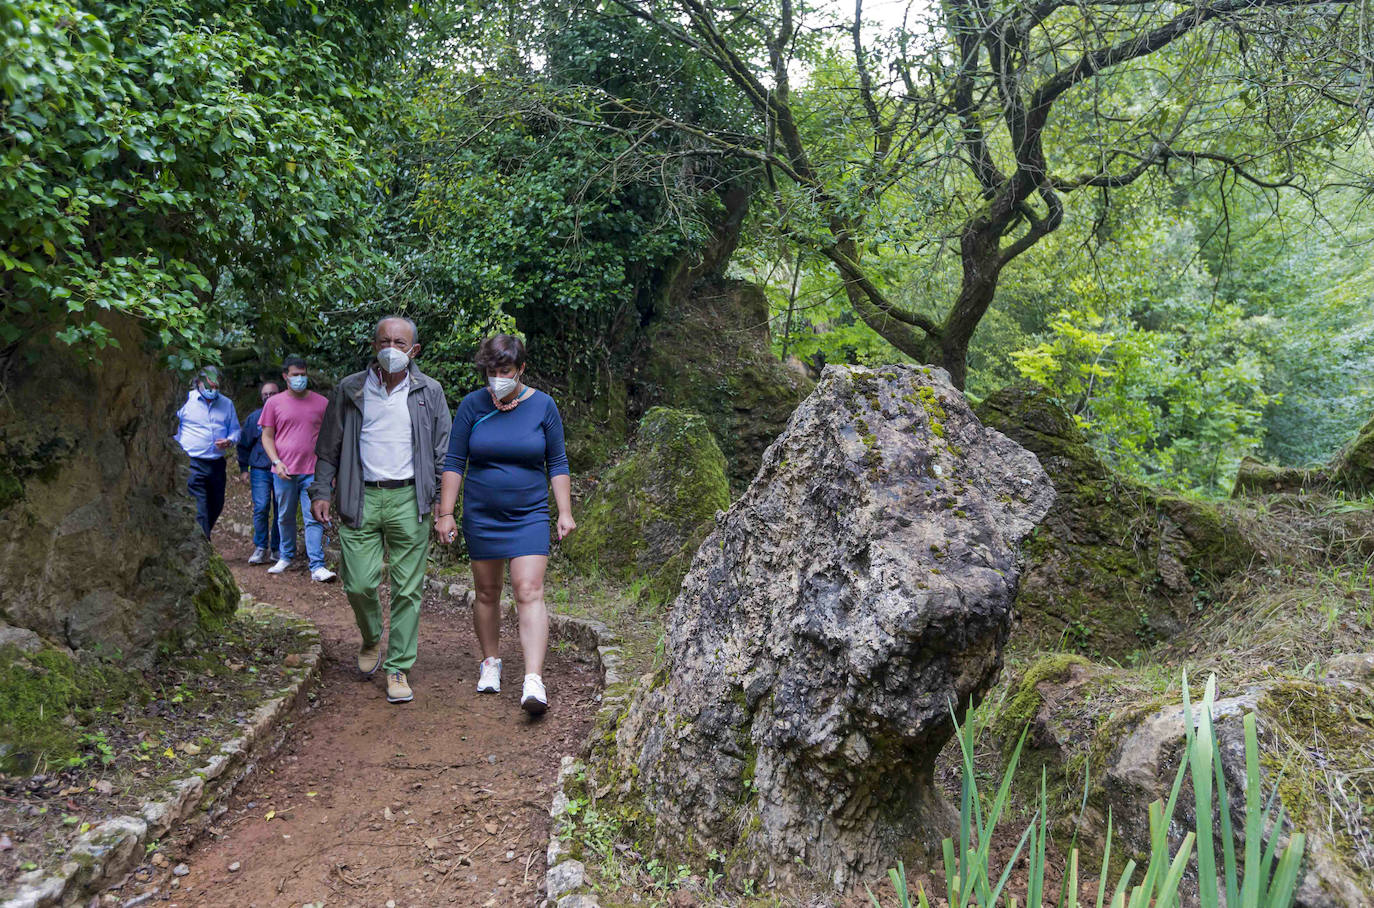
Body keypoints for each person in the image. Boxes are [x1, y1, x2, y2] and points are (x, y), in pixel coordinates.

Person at [309, 317, 453, 705]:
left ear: (414, 350)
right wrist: (322, 490)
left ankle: (398, 666)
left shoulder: (430, 392)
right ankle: (372, 635)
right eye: (385, 341)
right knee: (358, 583)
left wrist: (445, 505)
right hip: (361, 496)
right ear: (374, 345)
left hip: (411, 498)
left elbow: (444, 453)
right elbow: (329, 447)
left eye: (400, 342)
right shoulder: (351, 389)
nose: (392, 347)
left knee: (408, 589)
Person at [435, 334, 575, 716]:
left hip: (529, 512)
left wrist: (564, 511)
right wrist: (445, 512)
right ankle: (491, 662)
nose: (498, 377)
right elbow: (454, 461)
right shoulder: (472, 406)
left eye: (505, 371)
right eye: (492, 371)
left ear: (521, 369)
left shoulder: (544, 406)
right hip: (482, 512)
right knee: (487, 591)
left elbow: (557, 462)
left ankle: (533, 678)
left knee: (529, 588)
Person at [260, 355, 336, 582]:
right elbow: (267, 436)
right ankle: (285, 555)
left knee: (314, 516)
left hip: (313, 471)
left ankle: (317, 565)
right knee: (284, 515)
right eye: (295, 375)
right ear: (286, 376)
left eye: (303, 375)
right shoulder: (273, 403)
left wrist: (330, 471)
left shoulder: (322, 403)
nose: (300, 379)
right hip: (283, 470)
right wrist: (276, 461)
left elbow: (331, 437)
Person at [175, 365, 240, 539]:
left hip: (217, 464)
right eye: (209, 385)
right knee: (200, 507)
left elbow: (235, 429)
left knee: (216, 504)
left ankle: (203, 538)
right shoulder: (185, 401)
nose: (213, 390)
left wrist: (230, 440)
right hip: (193, 462)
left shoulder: (226, 404)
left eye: (216, 387)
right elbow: (173, 427)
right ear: (198, 382)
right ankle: (204, 546)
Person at [236, 381, 283, 564]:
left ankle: (277, 549)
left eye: (273, 394)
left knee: (281, 509)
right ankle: (260, 546)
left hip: (282, 469)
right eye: (266, 395)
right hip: (259, 470)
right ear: (261, 397)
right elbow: (244, 445)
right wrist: (243, 469)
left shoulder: (286, 415)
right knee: (261, 506)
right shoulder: (255, 418)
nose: (269, 397)